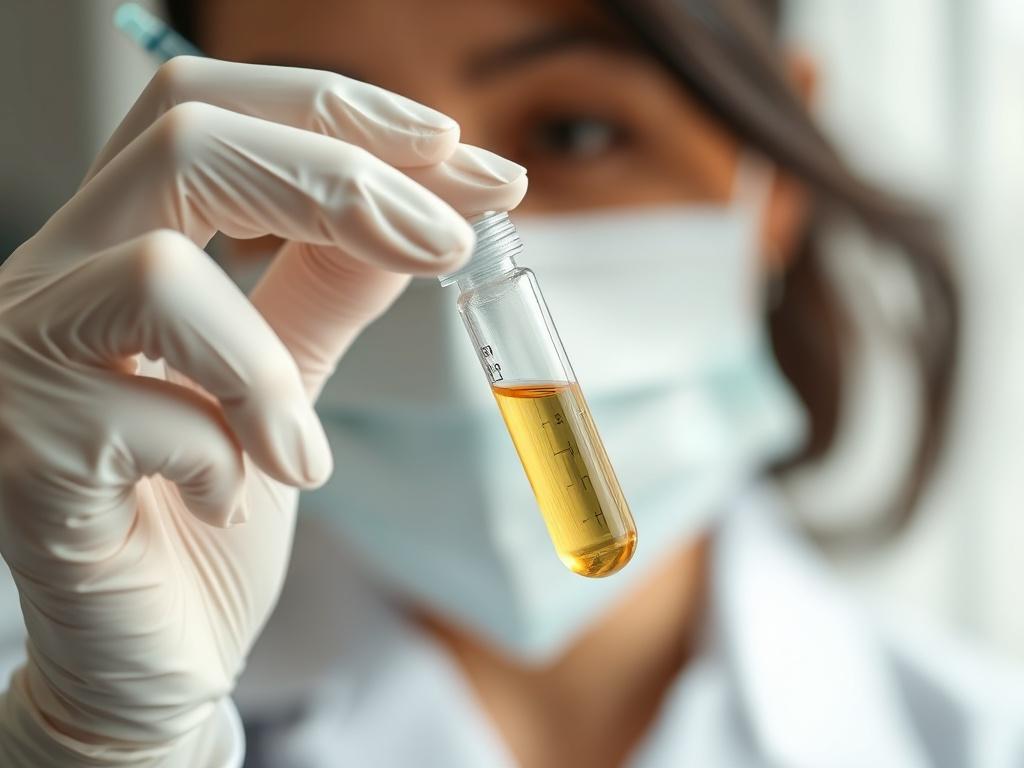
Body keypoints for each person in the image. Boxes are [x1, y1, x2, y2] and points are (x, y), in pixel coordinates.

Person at [0, 0, 1022, 766]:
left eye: (576, 131)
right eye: (317, 156)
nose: (432, 253)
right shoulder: (71, 702)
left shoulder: (977, 740)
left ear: (775, 175)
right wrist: (105, 748)